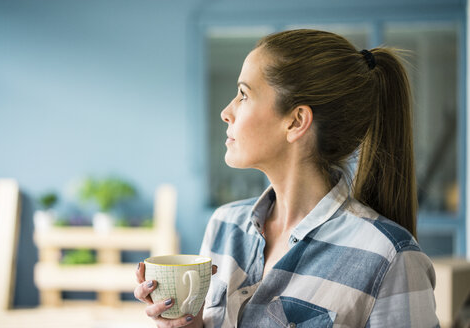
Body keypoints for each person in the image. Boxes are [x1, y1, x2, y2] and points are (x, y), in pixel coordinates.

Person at [134, 29, 439, 327]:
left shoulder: (391, 259)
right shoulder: (223, 227)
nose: (226, 112)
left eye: (243, 94)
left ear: (296, 121)